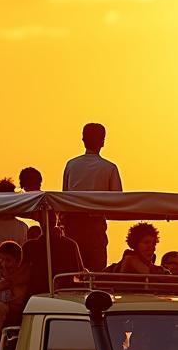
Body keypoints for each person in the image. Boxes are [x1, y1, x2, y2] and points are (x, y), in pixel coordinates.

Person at [61, 122, 122, 271]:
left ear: (83, 139)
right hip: (95, 224)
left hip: (72, 223)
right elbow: (119, 199)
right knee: (96, 269)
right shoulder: (109, 167)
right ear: (103, 141)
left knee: (72, 266)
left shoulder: (71, 165)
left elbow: (64, 195)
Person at [21, 224, 84, 296]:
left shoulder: (29, 246)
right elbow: (79, 273)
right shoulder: (71, 244)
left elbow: (22, 273)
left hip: (40, 295)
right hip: (63, 295)